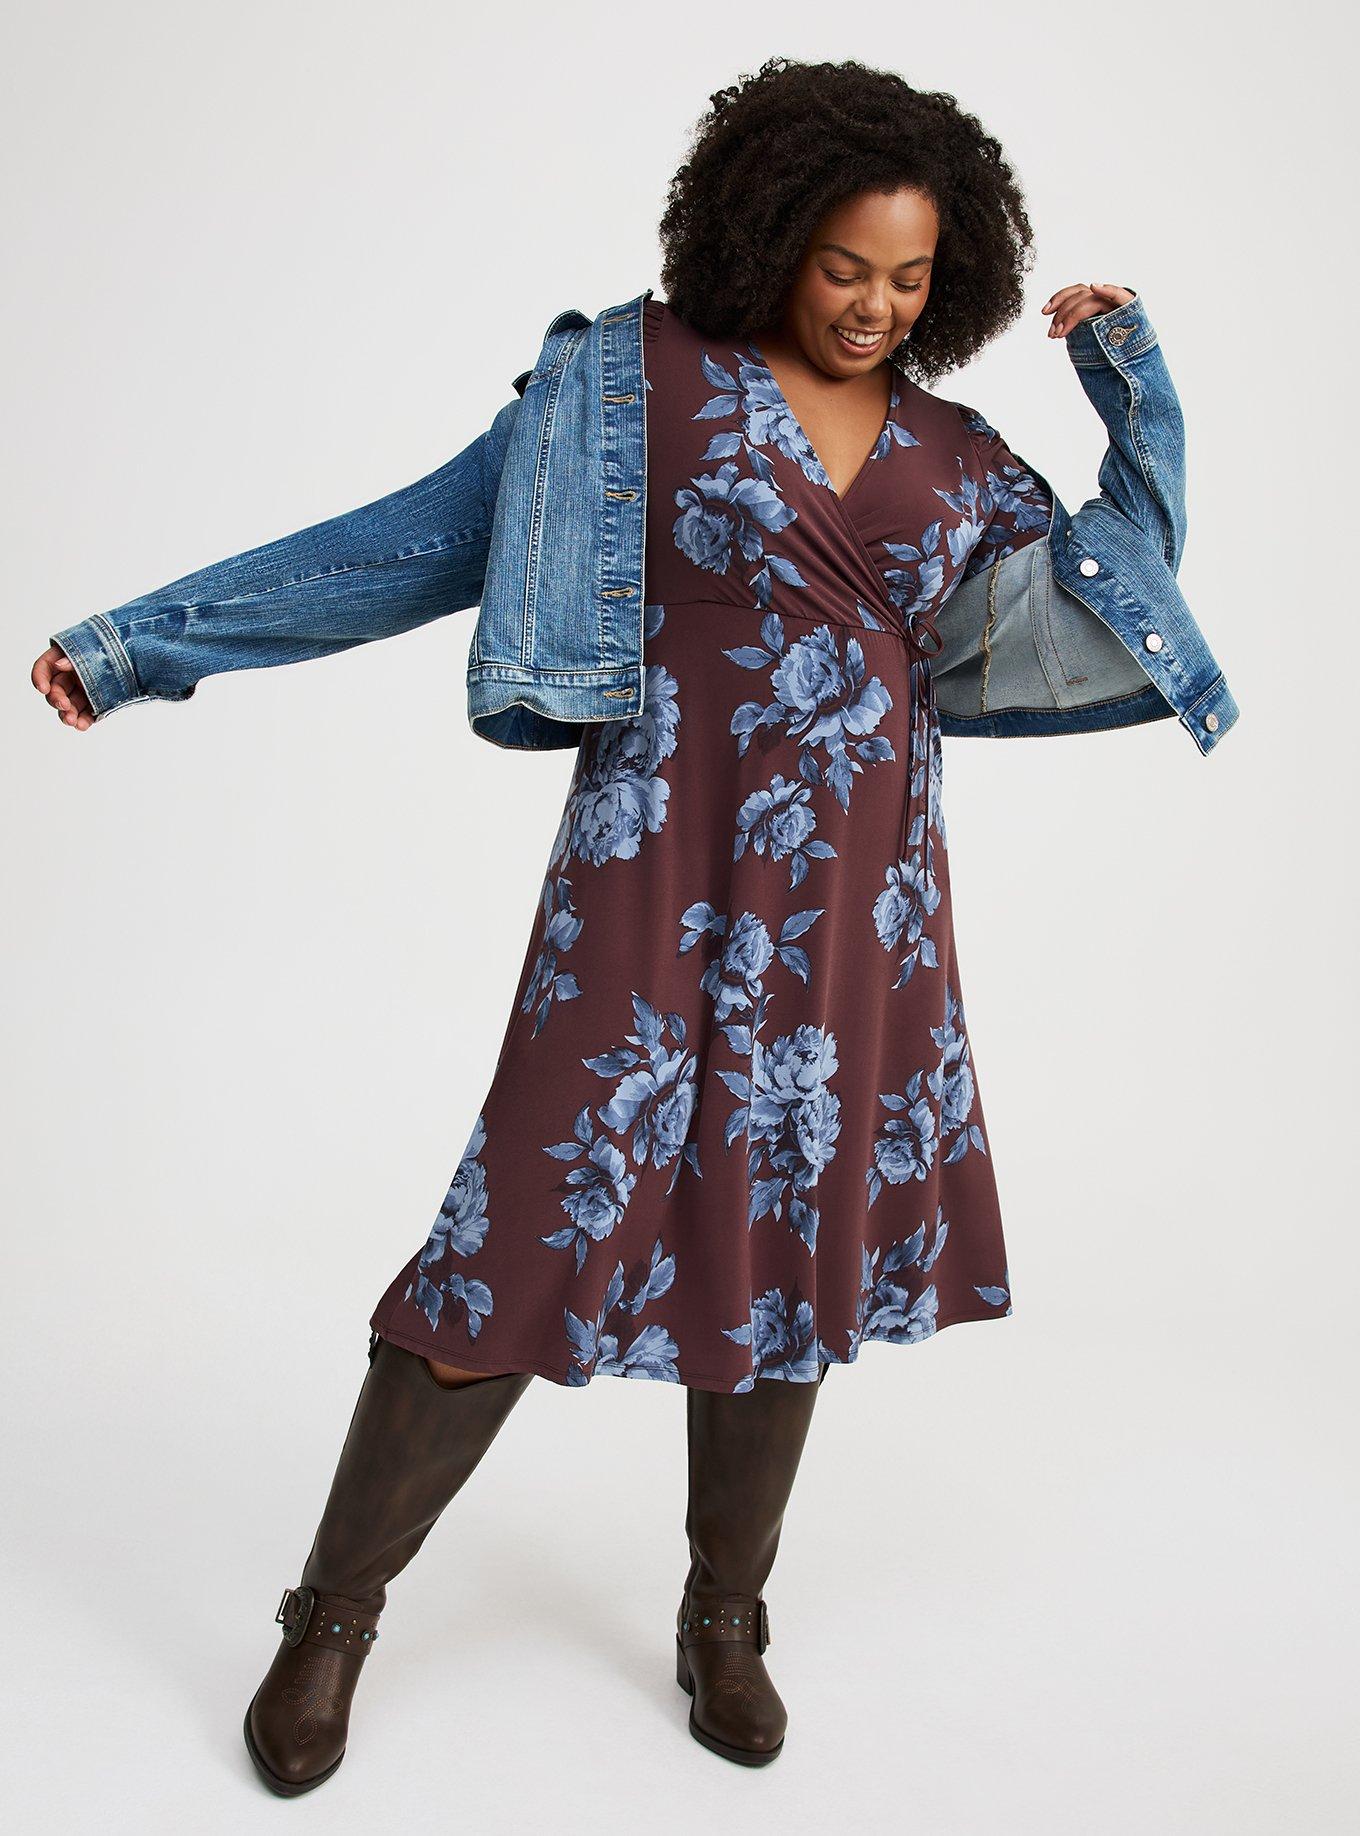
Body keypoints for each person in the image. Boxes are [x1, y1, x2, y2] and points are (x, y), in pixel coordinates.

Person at [31, 57, 1219, 1788]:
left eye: (910, 280)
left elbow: (1133, 591)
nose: (874, 308)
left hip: (860, 914)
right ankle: (331, 1618)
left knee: (790, 1246)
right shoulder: (631, 386)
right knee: (513, 1234)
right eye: (844, 267)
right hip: (652, 876)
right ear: (769, 232)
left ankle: (725, 1616)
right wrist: (144, 645)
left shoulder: (961, 459)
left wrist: (1133, 379)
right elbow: (406, 546)